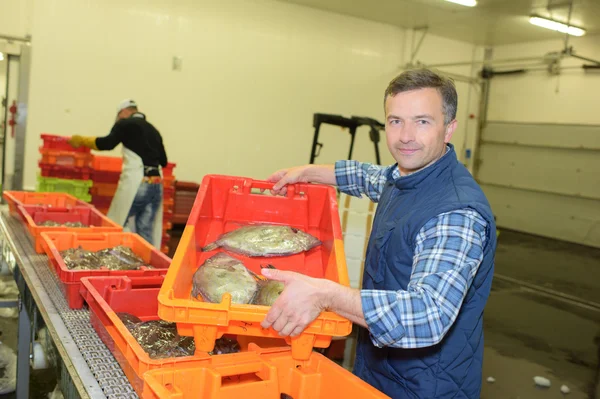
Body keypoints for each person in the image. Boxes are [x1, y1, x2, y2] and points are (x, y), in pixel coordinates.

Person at [261, 68, 497, 399]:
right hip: (380, 367)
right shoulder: (406, 175)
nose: (405, 136)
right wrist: (308, 172)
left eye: (422, 121)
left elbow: (427, 315)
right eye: (395, 121)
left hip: (427, 386)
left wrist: (327, 294)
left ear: (449, 129)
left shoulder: (456, 213)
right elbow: (369, 176)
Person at [69, 99, 168, 247]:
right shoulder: (154, 130)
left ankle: (117, 262)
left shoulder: (124, 124)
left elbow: (107, 144)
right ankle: (148, 267)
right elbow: (164, 161)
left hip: (138, 184)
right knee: (145, 231)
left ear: (123, 112)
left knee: (117, 223)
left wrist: (83, 140)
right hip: (156, 185)